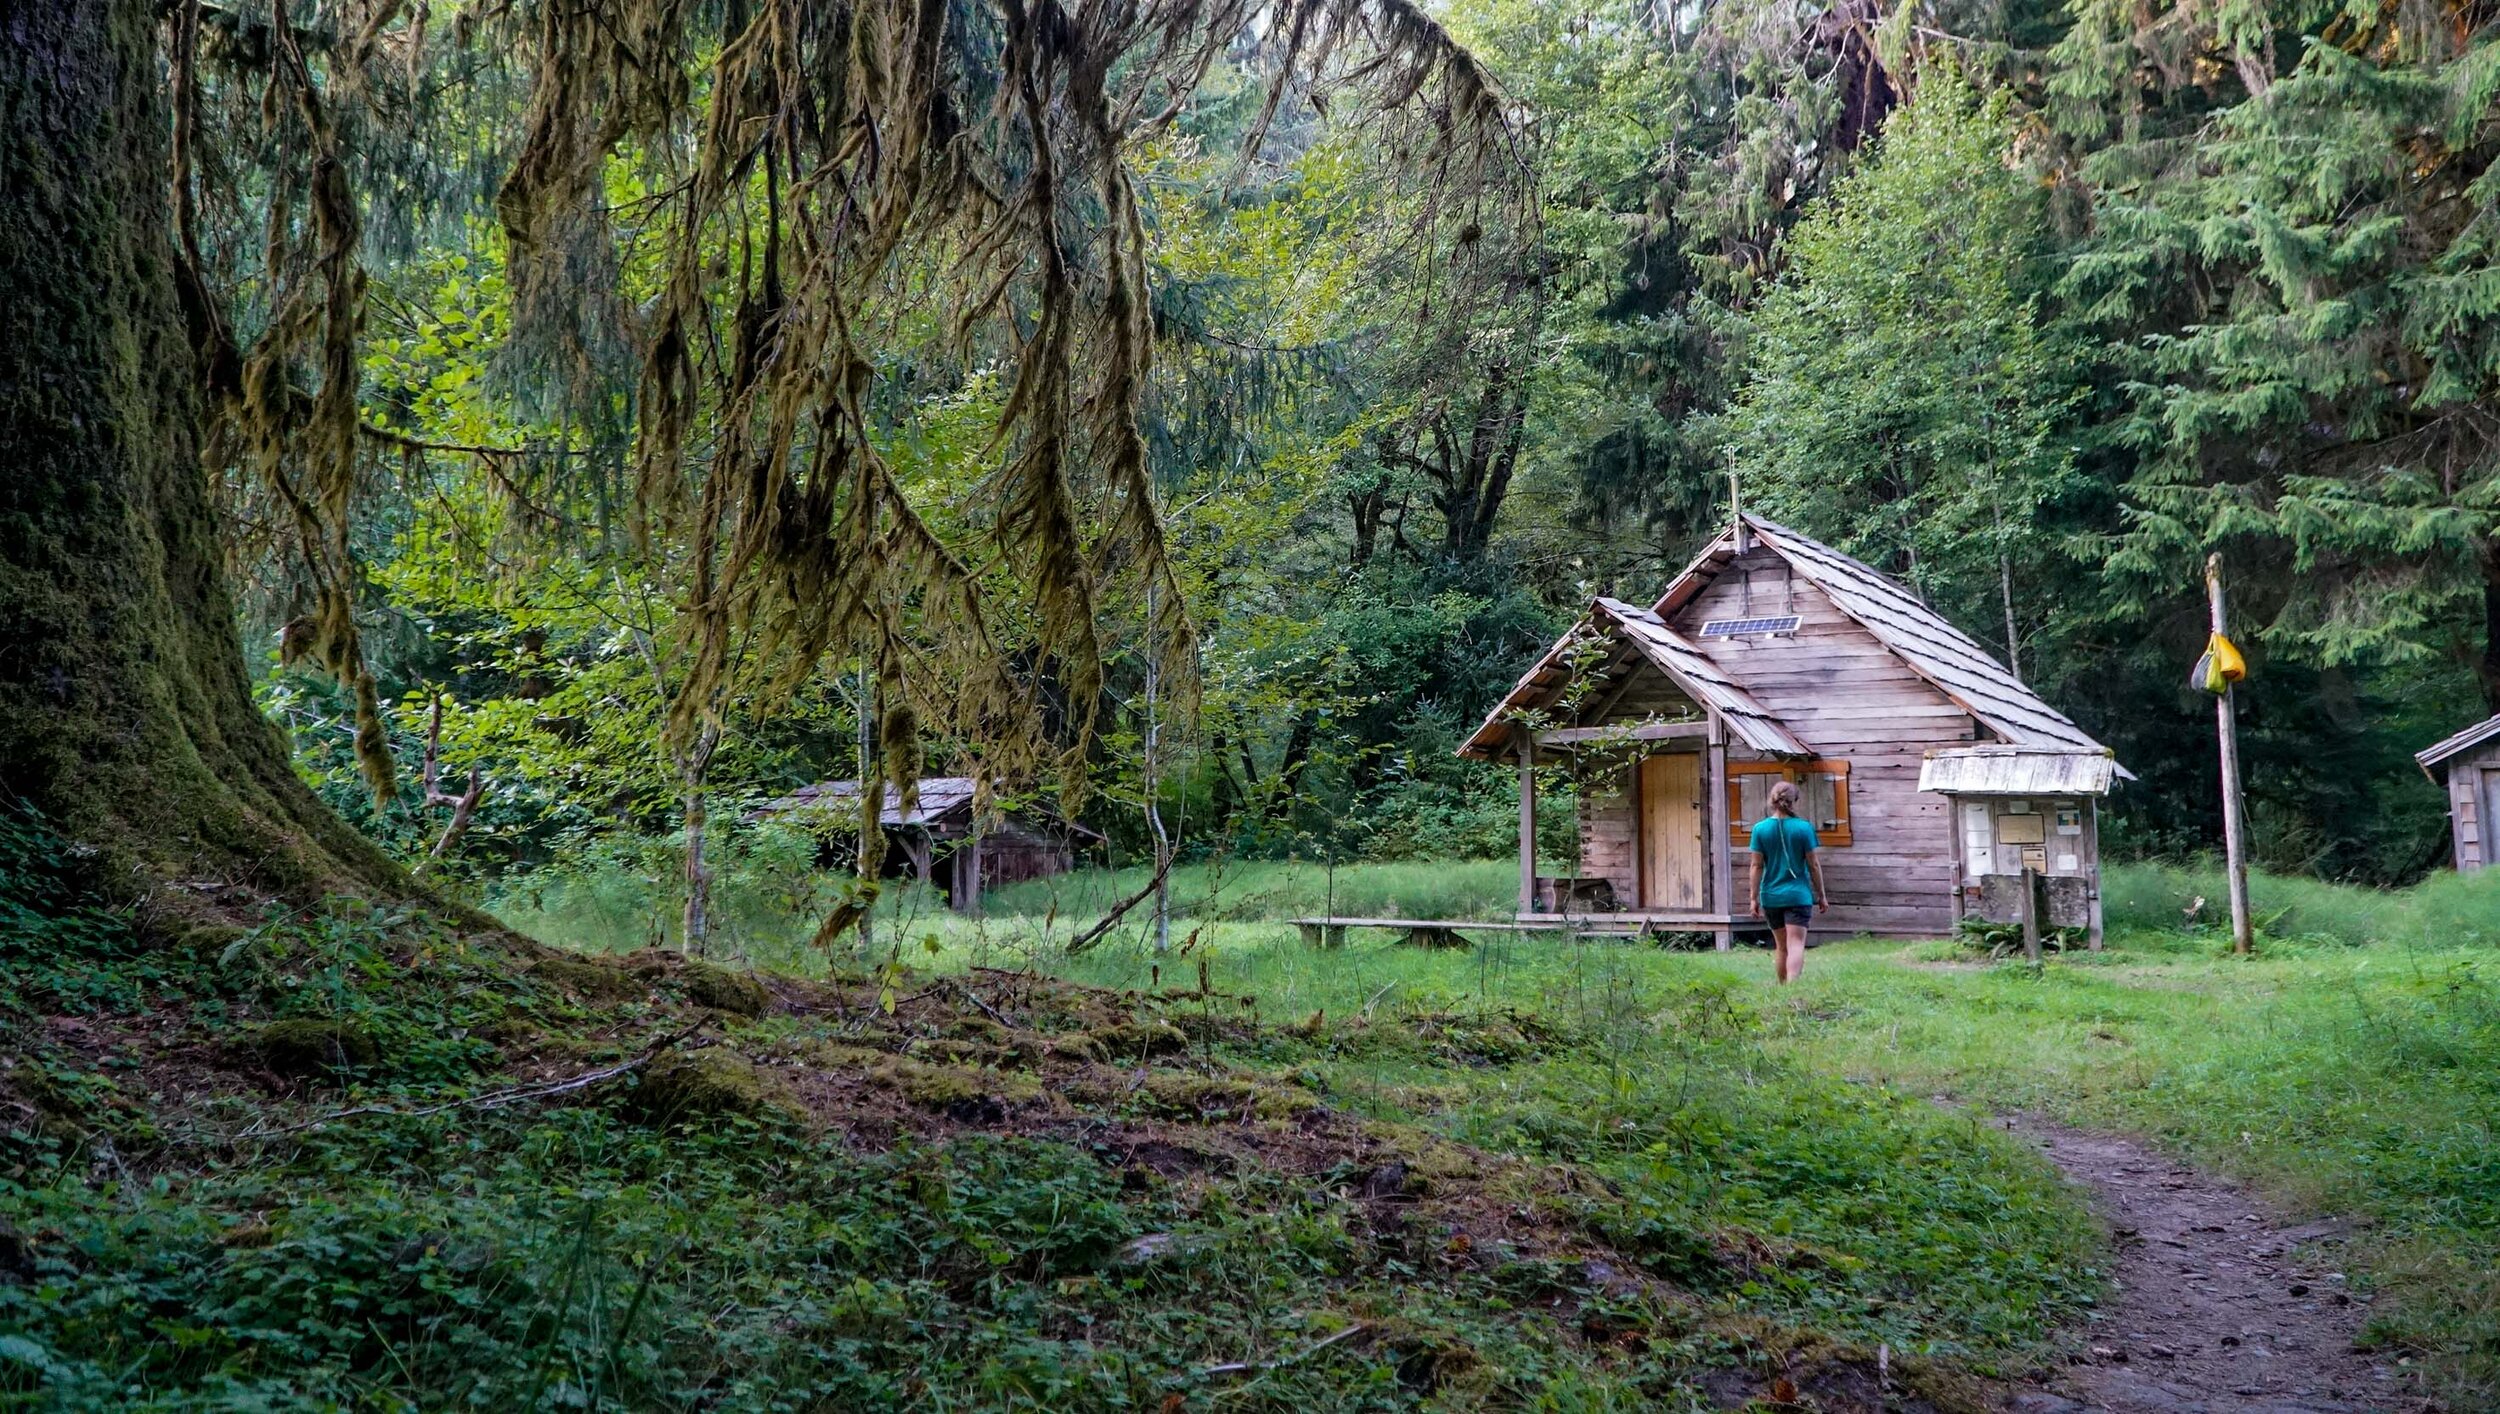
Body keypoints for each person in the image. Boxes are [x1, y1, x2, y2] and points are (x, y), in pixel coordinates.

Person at [1747, 780, 1830, 984]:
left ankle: (1783, 989)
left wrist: (1753, 898)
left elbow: (1756, 866)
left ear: (1772, 801)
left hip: (1771, 896)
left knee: (1781, 946)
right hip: (1798, 894)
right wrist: (1821, 895)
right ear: (1794, 802)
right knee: (1796, 944)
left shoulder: (1760, 829)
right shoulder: (1804, 828)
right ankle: (1793, 988)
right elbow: (1813, 865)